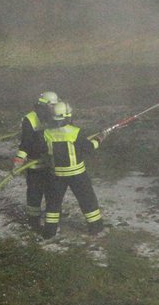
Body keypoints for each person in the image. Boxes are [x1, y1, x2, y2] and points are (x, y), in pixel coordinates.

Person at [40, 101, 104, 238]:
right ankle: (95, 228)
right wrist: (99, 139)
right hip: (77, 174)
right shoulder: (76, 132)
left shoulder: (46, 133)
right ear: (67, 116)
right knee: (87, 200)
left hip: (56, 175)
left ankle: (49, 231)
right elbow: (89, 147)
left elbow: (44, 150)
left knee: (53, 203)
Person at [13, 90, 59, 230]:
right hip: (35, 165)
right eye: (52, 105)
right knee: (34, 194)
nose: (54, 108)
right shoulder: (30, 119)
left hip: (52, 165)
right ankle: (33, 222)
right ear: (43, 105)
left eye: (55, 105)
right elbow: (25, 143)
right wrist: (18, 161)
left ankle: (52, 224)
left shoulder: (57, 116)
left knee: (53, 194)